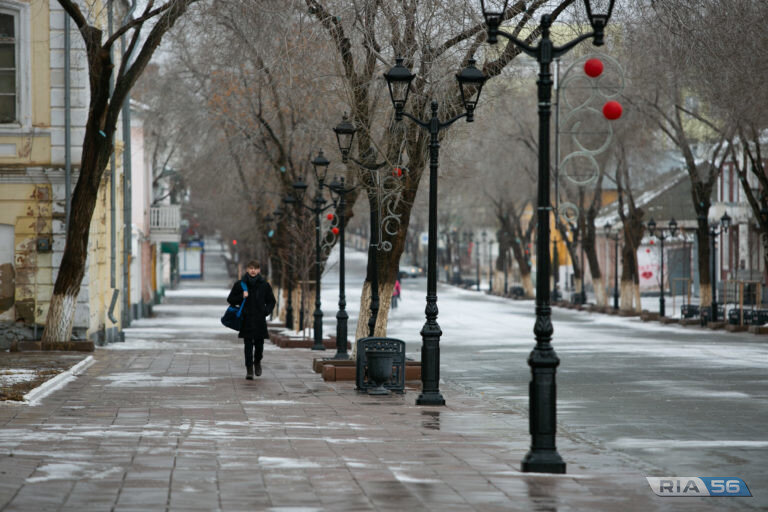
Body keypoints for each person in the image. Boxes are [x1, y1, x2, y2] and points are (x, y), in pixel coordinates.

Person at [227, 259, 276, 380]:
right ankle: (249, 369)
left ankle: (257, 362)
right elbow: (230, 299)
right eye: (250, 268)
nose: (253, 270)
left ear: (259, 270)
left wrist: (265, 312)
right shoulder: (240, 284)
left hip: (259, 320)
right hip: (246, 319)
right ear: (247, 270)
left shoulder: (264, 285)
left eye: (255, 268)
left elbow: (271, 301)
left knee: (259, 345)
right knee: (248, 345)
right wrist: (241, 296)